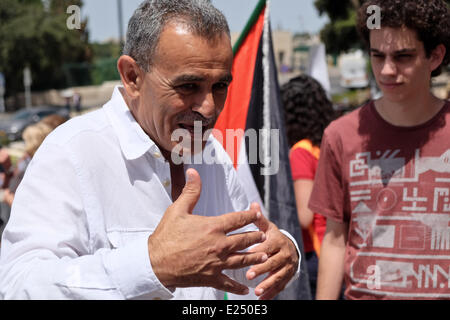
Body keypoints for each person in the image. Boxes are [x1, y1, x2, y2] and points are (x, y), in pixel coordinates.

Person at [0, 0, 300, 300]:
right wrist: (150, 264)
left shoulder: (213, 154)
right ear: (132, 77)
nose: (209, 107)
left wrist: (283, 252)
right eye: (188, 86)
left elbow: (243, 258)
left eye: (220, 86)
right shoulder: (72, 152)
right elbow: (18, 286)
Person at [310, 0, 450, 300]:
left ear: (435, 56)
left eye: (403, 56)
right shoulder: (339, 136)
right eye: (377, 56)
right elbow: (335, 239)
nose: (387, 70)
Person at [281, 74, 336, 299]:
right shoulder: (326, 145)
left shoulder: (301, 152)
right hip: (337, 248)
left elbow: (304, 216)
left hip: (316, 253)